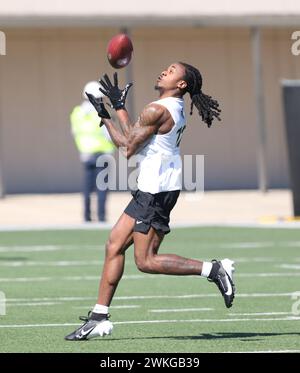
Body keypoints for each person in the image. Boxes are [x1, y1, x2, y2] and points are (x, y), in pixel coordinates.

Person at [65, 62, 235, 341]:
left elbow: (127, 148)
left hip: (157, 191)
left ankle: (214, 269)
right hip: (151, 188)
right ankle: (98, 318)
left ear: (182, 84)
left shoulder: (157, 109)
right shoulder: (164, 107)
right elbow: (131, 138)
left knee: (146, 261)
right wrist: (115, 108)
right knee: (114, 244)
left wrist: (105, 112)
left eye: (171, 71)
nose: (164, 72)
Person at [70, 81, 115, 222]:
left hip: (86, 154)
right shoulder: (101, 111)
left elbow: (75, 132)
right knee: (102, 188)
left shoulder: (77, 112)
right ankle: (101, 217)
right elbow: (109, 134)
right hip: (103, 153)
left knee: (87, 188)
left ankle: (87, 217)